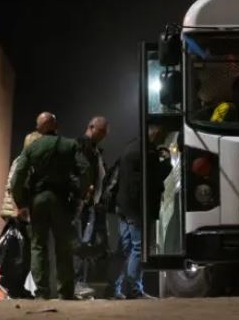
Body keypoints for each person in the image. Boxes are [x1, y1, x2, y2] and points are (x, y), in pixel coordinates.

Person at [10, 120, 89, 300]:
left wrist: (21, 203)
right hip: (61, 200)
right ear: (56, 126)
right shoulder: (70, 145)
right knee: (63, 246)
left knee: (38, 246)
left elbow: (17, 178)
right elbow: (85, 170)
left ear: (39, 127)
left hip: (37, 201)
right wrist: (80, 195)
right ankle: (66, 292)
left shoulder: (32, 147)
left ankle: (42, 292)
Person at [0, 112, 57, 299]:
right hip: (19, 213)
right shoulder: (25, 161)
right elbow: (16, 187)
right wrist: (20, 209)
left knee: (24, 250)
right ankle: (12, 283)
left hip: (16, 212)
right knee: (26, 251)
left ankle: (16, 285)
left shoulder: (21, 160)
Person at [109, 125, 172, 299]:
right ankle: (134, 290)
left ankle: (114, 288)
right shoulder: (148, 153)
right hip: (136, 207)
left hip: (123, 205)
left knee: (125, 248)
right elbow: (156, 176)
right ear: (155, 133)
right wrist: (167, 160)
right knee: (139, 247)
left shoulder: (130, 146)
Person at [73, 116, 110, 298]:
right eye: (101, 131)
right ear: (91, 127)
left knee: (85, 244)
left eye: (105, 132)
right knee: (79, 244)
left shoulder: (94, 150)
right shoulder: (82, 146)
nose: (103, 135)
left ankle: (79, 283)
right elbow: (79, 170)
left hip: (90, 204)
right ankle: (76, 283)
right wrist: (84, 190)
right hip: (82, 203)